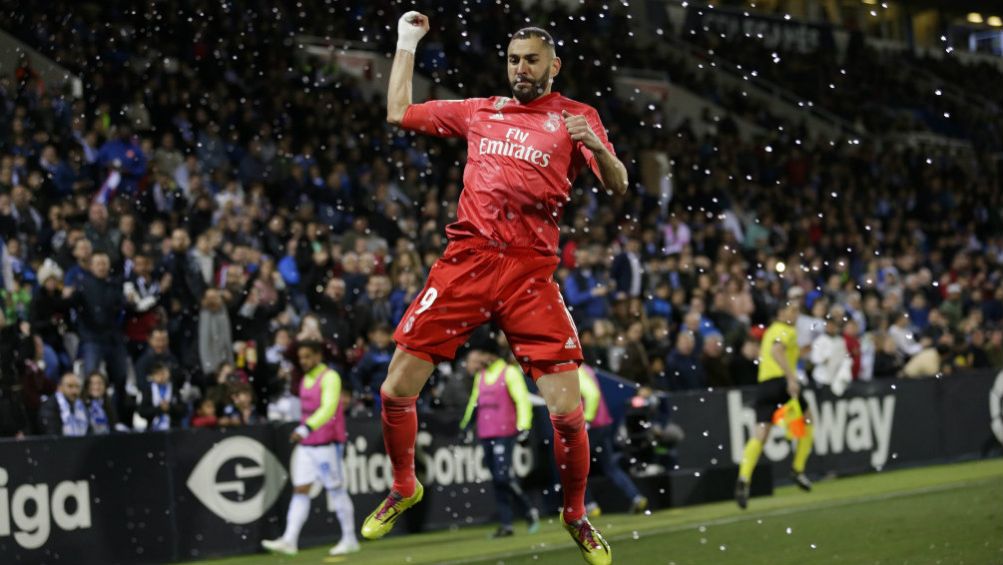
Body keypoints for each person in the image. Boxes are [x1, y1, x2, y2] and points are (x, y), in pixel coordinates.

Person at [363, 13, 628, 565]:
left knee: (566, 410)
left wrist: (597, 149)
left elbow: (620, 184)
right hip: (468, 262)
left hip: (531, 273)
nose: (521, 69)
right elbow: (398, 111)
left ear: (554, 66)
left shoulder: (577, 118)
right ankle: (405, 485)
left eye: (532, 60)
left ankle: (576, 514)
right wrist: (406, 43)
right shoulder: (482, 110)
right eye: (513, 60)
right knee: (394, 390)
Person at [262, 341, 358, 557]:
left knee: (335, 490)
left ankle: (350, 538)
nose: (303, 361)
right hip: (307, 444)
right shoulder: (305, 379)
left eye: (307, 356)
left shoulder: (331, 377)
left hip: (327, 443)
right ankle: (289, 540)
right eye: (301, 357)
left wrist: (306, 428)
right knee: (301, 489)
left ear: (317, 356)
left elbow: (329, 407)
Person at [735, 301, 814, 509]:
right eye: (792, 310)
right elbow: (777, 351)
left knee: (760, 435)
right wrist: (791, 378)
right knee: (807, 420)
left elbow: (769, 353)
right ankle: (797, 469)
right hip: (781, 383)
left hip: (764, 386)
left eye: (797, 311)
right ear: (781, 313)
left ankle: (744, 478)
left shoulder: (770, 331)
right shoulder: (786, 330)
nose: (795, 315)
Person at [458, 341, 540, 538]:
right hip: (486, 433)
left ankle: (527, 509)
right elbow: (474, 403)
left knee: (502, 476)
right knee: (498, 479)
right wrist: (466, 426)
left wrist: (524, 427)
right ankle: (507, 523)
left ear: (492, 355)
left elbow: (522, 400)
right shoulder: (481, 376)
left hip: (505, 432)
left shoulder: (509, 373)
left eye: (483, 354)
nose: (480, 359)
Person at [578, 363, 648, 517]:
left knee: (576, 468)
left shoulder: (574, 371)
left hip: (591, 426)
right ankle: (636, 496)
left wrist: (587, 419)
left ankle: (590, 505)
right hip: (603, 423)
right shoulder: (587, 369)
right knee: (610, 466)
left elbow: (592, 395)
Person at [38, 372, 89, 437]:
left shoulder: (82, 405)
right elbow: (51, 435)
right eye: (70, 386)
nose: (74, 391)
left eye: (77, 386)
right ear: (60, 388)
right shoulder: (50, 406)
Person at [138, 362, 185, 431]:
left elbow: (183, 410)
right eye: (158, 374)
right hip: (153, 429)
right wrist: (159, 409)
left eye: (163, 373)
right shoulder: (148, 390)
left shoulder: (174, 388)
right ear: (152, 376)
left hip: (173, 428)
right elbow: (142, 411)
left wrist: (170, 408)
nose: (161, 376)